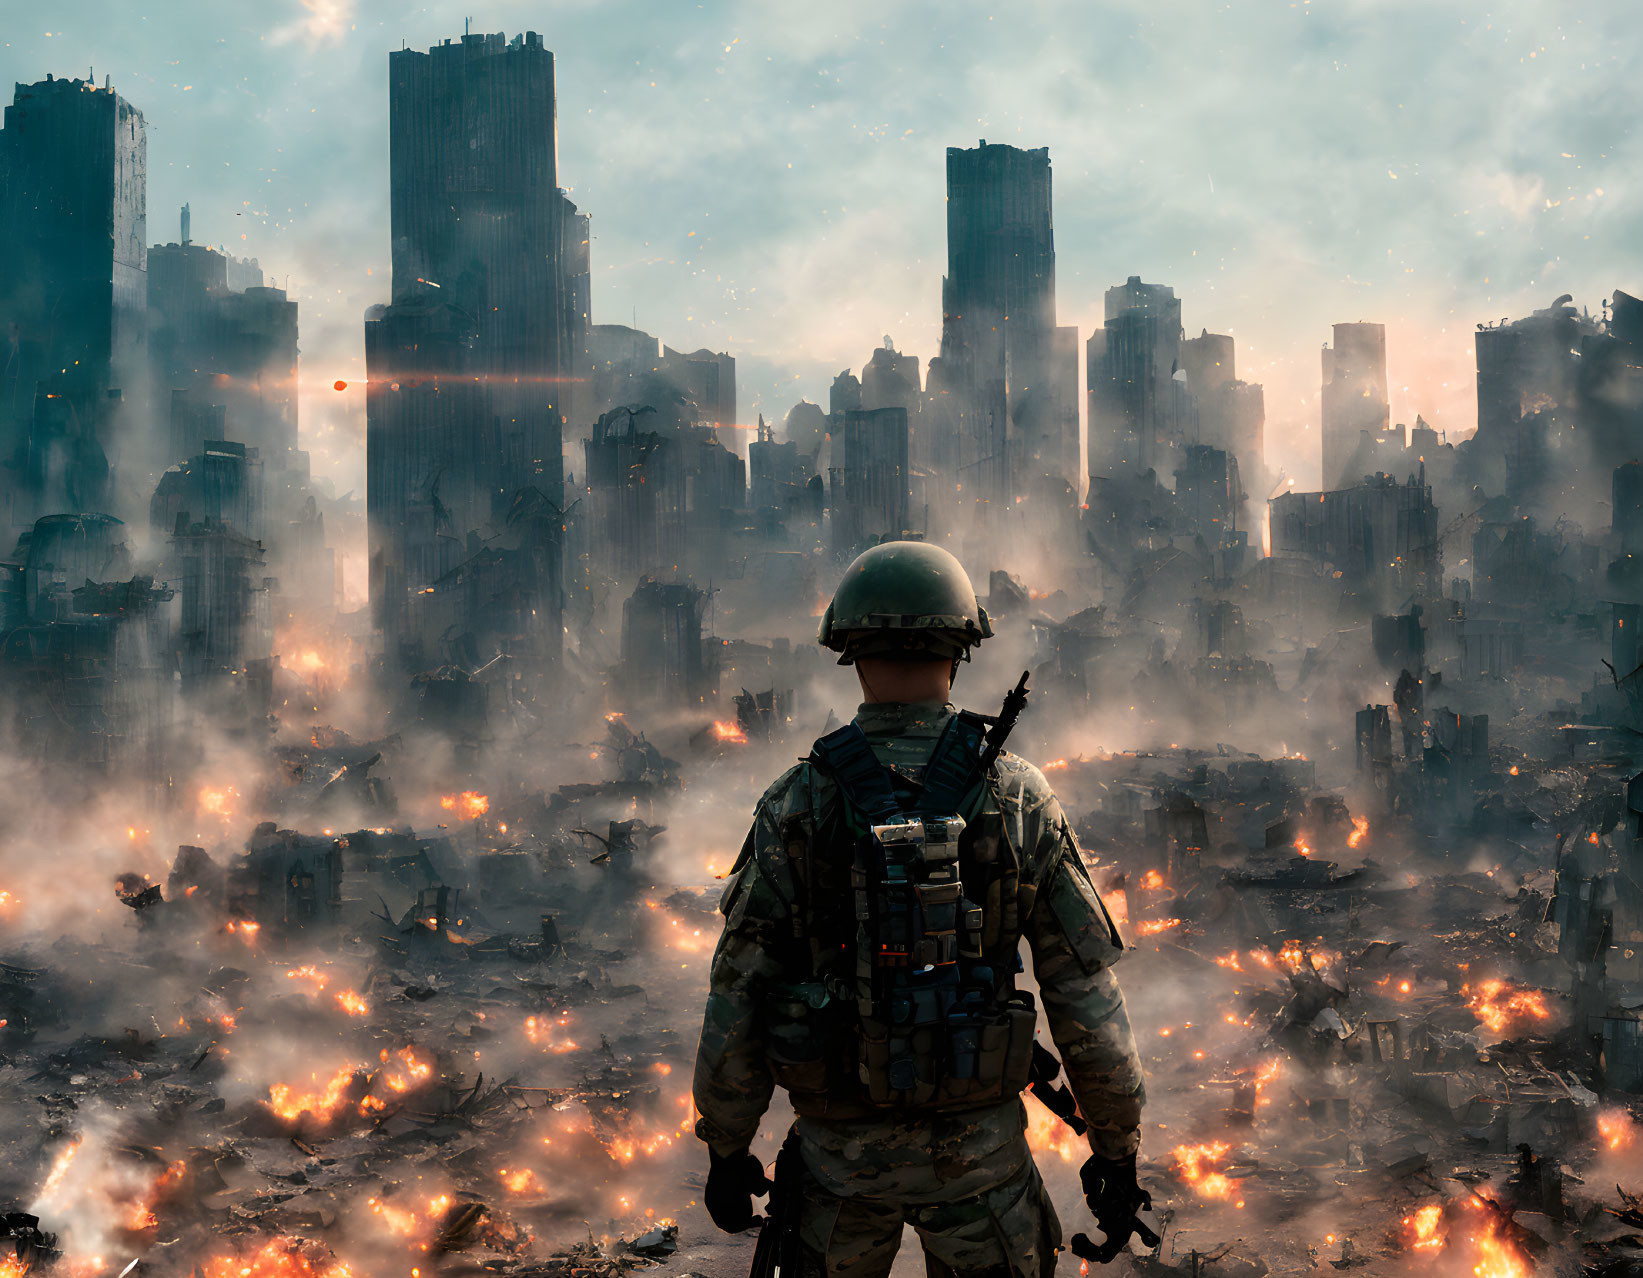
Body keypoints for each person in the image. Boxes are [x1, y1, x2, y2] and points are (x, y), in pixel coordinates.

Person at [692, 541, 1147, 1276]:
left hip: (837, 1168)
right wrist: (1116, 1149)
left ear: (848, 649)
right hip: (981, 1164)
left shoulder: (795, 801)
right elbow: (1083, 994)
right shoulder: (1019, 795)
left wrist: (725, 1144)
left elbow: (738, 990)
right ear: (962, 648)